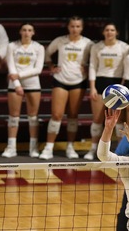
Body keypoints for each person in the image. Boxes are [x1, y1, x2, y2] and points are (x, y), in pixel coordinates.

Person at [39, 16, 93, 160]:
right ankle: (48, 147)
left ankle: (70, 146)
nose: (75, 29)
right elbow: (47, 53)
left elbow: (95, 60)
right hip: (60, 80)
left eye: (77, 26)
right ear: (68, 27)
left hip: (78, 81)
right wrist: (51, 66)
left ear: (82, 28)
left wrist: (87, 68)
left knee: (73, 115)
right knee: (56, 115)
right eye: (72, 26)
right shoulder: (60, 41)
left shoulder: (88, 43)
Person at [84, 23, 129, 160]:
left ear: (116, 32)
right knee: (98, 118)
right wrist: (92, 87)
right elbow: (92, 66)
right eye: (107, 30)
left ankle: (120, 150)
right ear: (103, 32)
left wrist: (122, 87)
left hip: (117, 85)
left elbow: (126, 69)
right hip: (100, 83)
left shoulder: (124, 47)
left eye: (112, 30)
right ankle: (93, 148)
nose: (109, 32)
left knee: (119, 120)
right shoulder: (96, 47)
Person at [1, 22, 45, 158]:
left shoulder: (38, 47)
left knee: (33, 117)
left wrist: (19, 75)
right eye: (24, 30)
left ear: (33, 32)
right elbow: (11, 66)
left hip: (33, 84)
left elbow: (38, 69)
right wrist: (17, 83)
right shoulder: (12, 46)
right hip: (15, 84)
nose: (27, 32)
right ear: (20, 32)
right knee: (14, 117)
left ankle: (33, 147)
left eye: (29, 30)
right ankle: (11, 147)